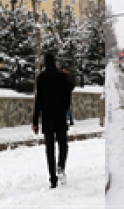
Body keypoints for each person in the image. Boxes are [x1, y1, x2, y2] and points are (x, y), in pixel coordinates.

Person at [33, 53, 72, 189]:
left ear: (44, 64)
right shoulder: (62, 77)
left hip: (47, 118)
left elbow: (38, 101)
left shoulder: (41, 79)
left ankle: (53, 179)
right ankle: (60, 166)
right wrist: (65, 108)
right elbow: (68, 94)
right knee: (63, 144)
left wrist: (35, 122)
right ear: (55, 63)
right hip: (60, 116)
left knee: (49, 148)